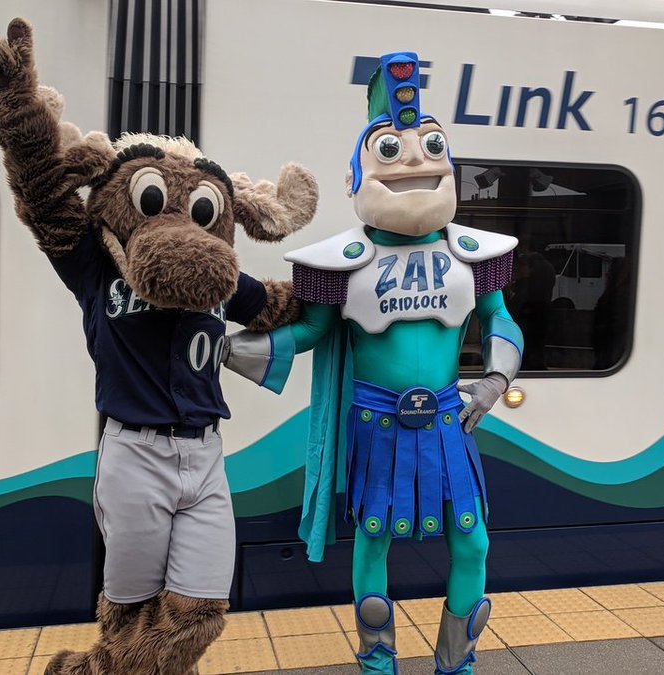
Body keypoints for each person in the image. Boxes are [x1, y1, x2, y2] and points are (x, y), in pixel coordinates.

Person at [0, 18, 317, 675]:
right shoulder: (94, 267)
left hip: (205, 455)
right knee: (131, 612)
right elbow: (42, 196)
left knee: (201, 608)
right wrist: (15, 107)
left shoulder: (218, 279)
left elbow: (278, 302)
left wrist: (355, 284)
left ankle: (96, 671)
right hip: (134, 455)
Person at [226, 52, 523, 675]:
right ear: (356, 174)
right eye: (390, 150)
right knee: (373, 541)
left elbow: (500, 318)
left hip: (449, 423)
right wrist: (226, 349)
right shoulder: (342, 261)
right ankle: (377, 664)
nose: (414, 160)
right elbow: (311, 331)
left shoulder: (474, 254)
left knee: (473, 540)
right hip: (376, 425)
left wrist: (495, 379)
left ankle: (456, 665)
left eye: (431, 146)